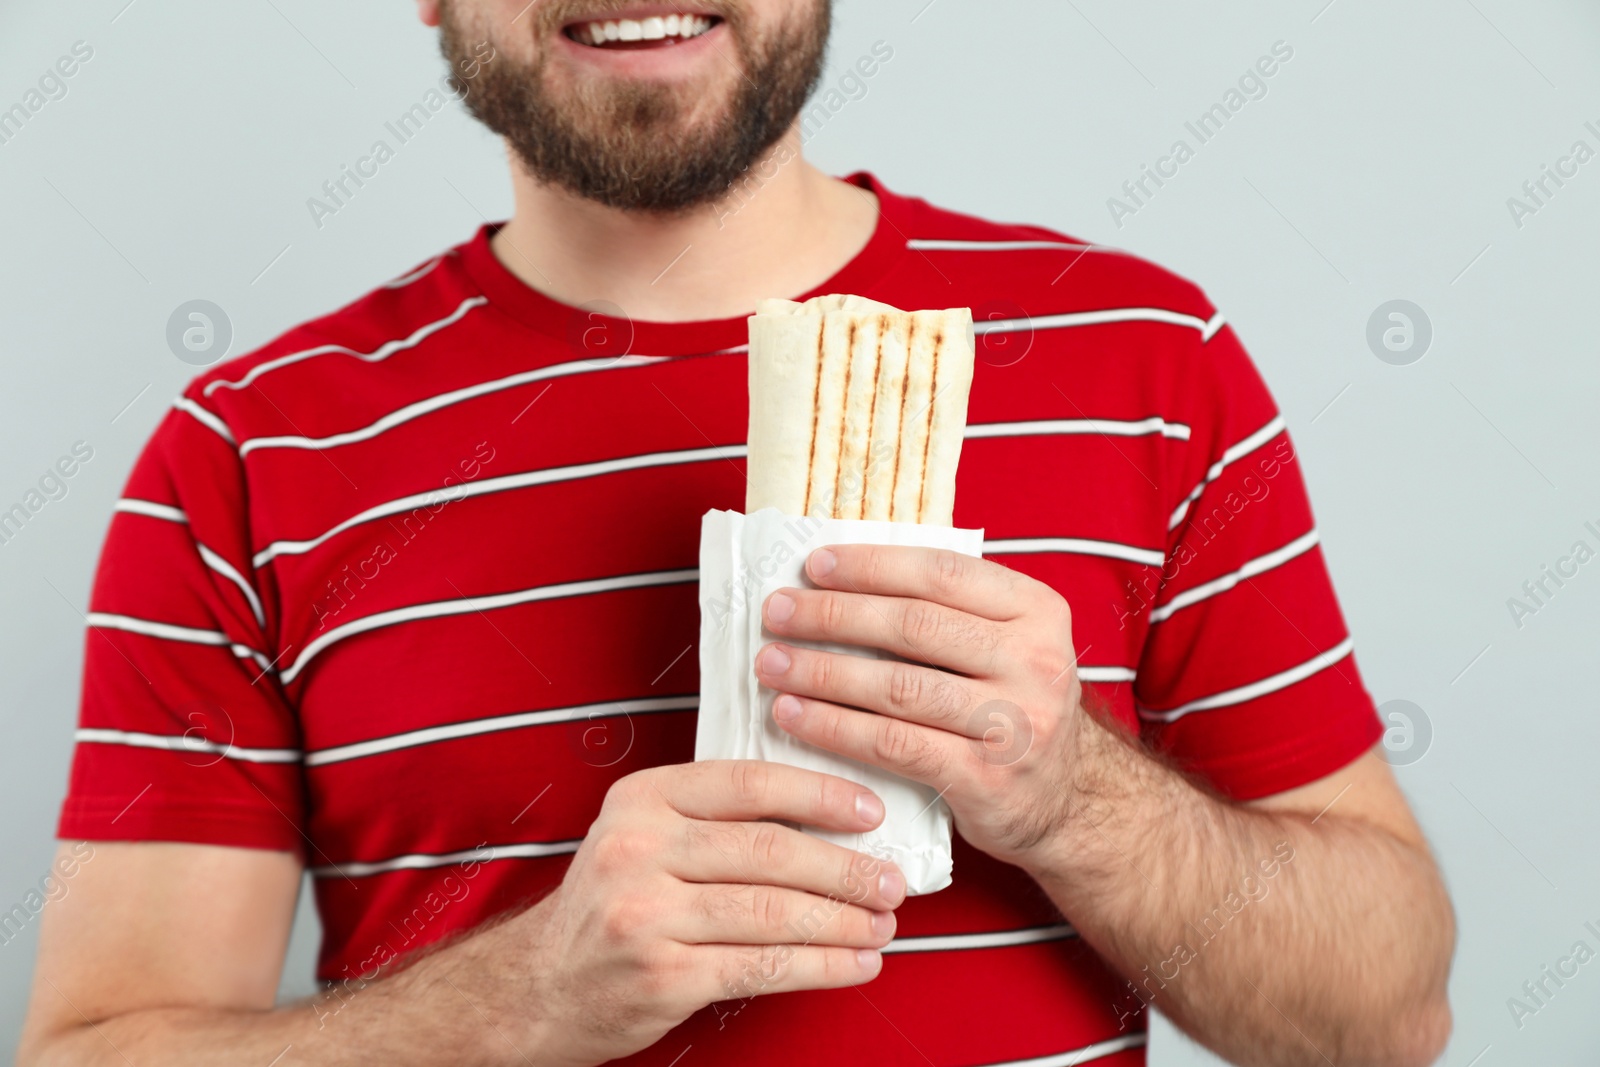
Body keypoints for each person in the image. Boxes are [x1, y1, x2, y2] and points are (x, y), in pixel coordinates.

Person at [17, 2, 1455, 1065]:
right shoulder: (249, 454)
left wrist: (1073, 797)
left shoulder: (1144, 360)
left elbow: (1386, 1021)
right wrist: (522, 999)